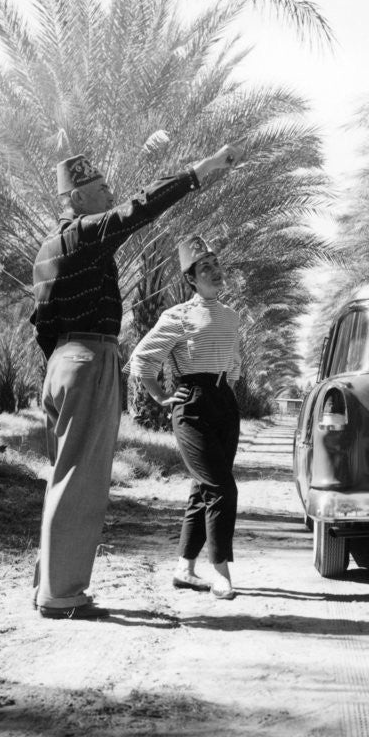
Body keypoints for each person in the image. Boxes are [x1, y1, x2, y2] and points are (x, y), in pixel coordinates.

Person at [31, 144, 242, 620]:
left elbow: (40, 320)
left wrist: (63, 360)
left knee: (62, 477)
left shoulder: (48, 248)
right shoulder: (84, 234)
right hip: (88, 358)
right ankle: (62, 595)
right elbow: (139, 208)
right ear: (78, 199)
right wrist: (200, 170)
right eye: (101, 189)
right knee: (83, 481)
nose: (111, 194)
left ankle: (48, 583)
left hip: (61, 361)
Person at [127, 236, 242, 600]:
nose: (215, 271)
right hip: (192, 405)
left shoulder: (231, 316)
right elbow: (142, 358)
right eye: (205, 267)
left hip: (224, 404)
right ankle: (221, 573)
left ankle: (184, 569)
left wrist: (226, 394)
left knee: (202, 488)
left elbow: (234, 364)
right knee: (222, 489)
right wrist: (161, 396)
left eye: (216, 263)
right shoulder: (177, 316)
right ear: (191, 279)